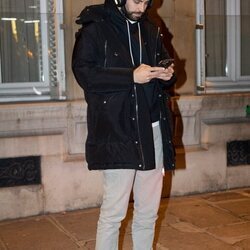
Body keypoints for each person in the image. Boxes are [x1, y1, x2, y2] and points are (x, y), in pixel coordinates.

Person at [72, 0, 176, 249]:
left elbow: (163, 66)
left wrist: (166, 74)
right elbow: (83, 73)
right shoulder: (96, 26)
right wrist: (129, 76)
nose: (141, 7)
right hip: (119, 131)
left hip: (152, 130)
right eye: (136, 0)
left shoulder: (151, 28)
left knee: (148, 211)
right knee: (113, 214)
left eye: (145, 1)